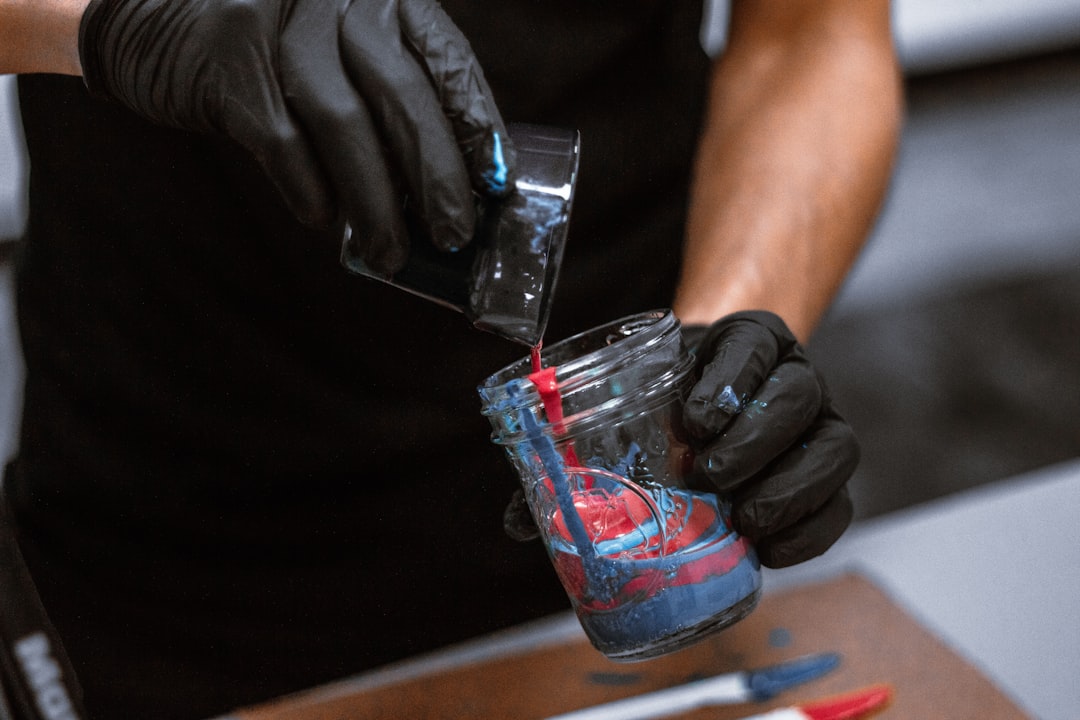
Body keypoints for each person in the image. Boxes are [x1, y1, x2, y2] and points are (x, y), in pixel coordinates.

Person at [0, 0, 902, 717]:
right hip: (176, 545)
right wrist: (116, 16)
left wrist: (715, 357)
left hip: (627, 515)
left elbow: (811, 35)